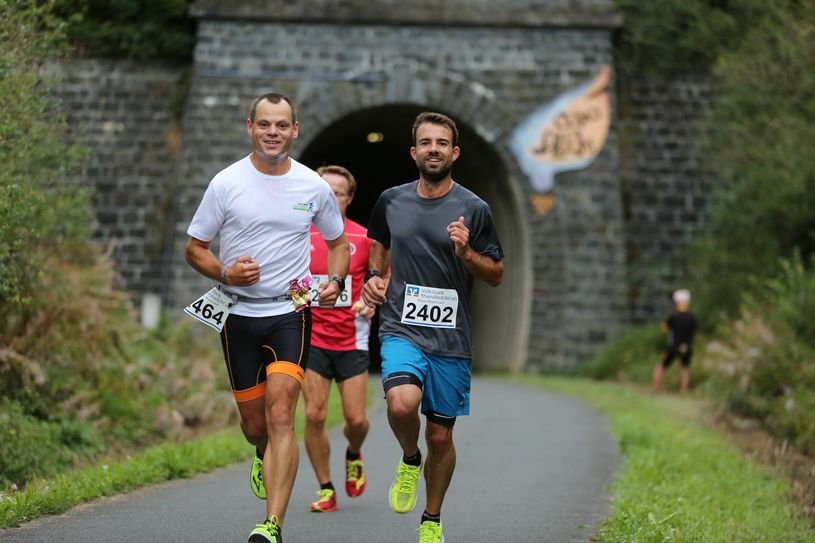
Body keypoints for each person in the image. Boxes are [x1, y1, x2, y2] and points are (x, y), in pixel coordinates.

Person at [185, 92, 350, 543]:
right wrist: (225, 272)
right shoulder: (226, 183)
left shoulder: (312, 186)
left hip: (290, 310)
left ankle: (271, 524)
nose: (272, 132)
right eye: (264, 124)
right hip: (238, 313)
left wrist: (335, 281)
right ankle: (261, 453)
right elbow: (194, 248)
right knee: (255, 426)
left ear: (295, 130)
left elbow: (338, 244)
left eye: (281, 125)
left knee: (281, 415)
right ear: (250, 127)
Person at [361, 111, 505, 543]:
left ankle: (431, 519)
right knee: (401, 404)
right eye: (426, 143)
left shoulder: (474, 209)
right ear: (414, 152)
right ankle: (410, 457)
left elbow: (496, 273)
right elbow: (378, 244)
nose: (434, 150)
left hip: (450, 338)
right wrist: (374, 276)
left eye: (442, 143)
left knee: (440, 438)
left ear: (454, 152)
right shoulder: (391, 200)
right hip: (401, 326)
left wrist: (466, 253)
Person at [303, 165, 376, 512]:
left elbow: (385, 273)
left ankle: (353, 453)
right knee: (314, 415)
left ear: (349, 199)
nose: (331, 198)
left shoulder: (363, 238)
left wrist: (372, 299)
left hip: (351, 339)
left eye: (338, 193)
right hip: (311, 337)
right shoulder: (299, 233)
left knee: (356, 420)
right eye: (324, 191)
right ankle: (326, 488)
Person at [651, 288, 697, 396]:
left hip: (673, 346)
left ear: (677, 302)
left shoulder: (673, 316)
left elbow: (665, 329)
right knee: (685, 369)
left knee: (661, 366)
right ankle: (683, 394)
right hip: (687, 346)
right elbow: (695, 331)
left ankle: (654, 389)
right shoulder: (692, 317)